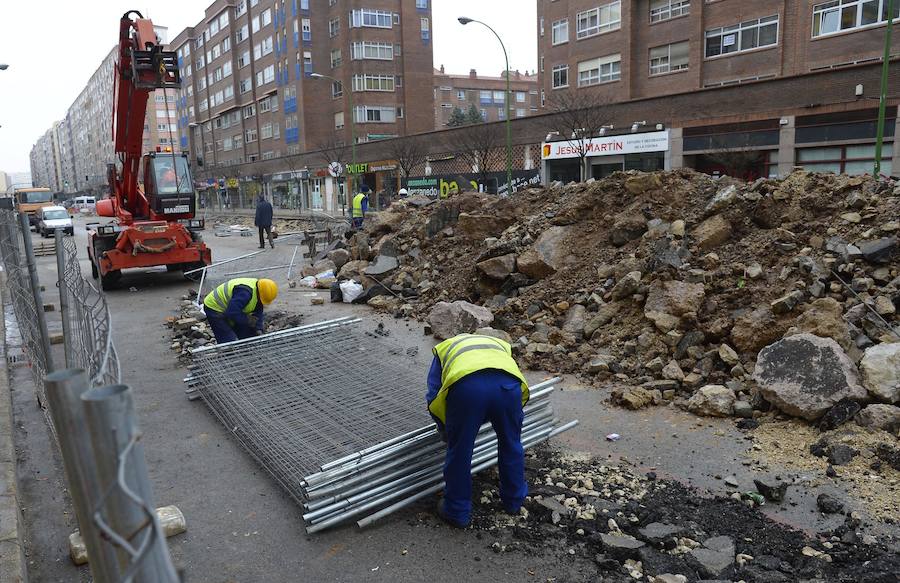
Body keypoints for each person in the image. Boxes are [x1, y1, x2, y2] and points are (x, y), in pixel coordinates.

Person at [426, 333, 530, 528]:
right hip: (509, 387)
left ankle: (456, 510)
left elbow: (433, 394)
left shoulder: (443, 349)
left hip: (468, 389)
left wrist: (445, 429)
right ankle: (514, 501)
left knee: (460, 452)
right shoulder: (499, 344)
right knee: (511, 444)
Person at [202, 278, 278, 344]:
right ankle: (228, 354)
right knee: (228, 340)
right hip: (214, 307)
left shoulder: (259, 294)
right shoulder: (244, 293)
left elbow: (258, 311)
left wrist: (258, 328)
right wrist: (247, 320)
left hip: (232, 309)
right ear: (260, 294)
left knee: (247, 333)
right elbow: (231, 312)